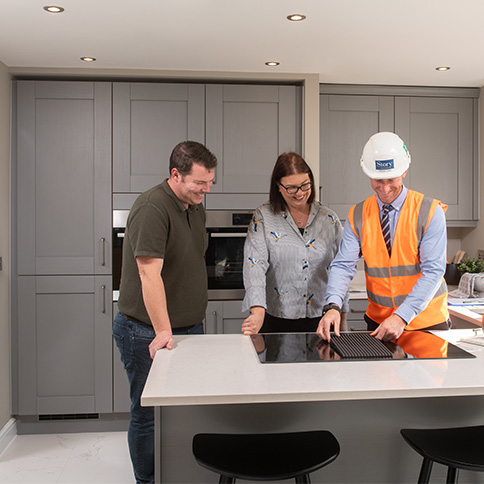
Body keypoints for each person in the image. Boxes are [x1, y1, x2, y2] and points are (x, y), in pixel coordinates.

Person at [112, 141, 217, 484]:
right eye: (199, 182)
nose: (206, 189)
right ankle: (147, 481)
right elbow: (148, 273)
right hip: (146, 331)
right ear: (176, 174)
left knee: (184, 412)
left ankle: (177, 476)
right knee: (148, 416)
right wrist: (162, 331)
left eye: (210, 182)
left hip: (189, 328)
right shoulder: (152, 207)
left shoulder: (194, 205)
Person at [317, 132, 449, 343]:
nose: (385, 188)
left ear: (404, 171)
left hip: (426, 324)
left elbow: (433, 272)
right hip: (379, 324)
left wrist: (401, 316)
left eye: (391, 180)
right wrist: (332, 306)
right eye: (378, 180)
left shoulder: (430, 212)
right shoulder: (358, 214)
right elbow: (343, 266)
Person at [242, 152, 348, 335]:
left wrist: (342, 314)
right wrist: (257, 311)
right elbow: (255, 265)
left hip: (322, 318)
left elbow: (342, 268)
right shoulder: (264, 217)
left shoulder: (328, 218)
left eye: (304, 185)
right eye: (291, 188)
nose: (300, 193)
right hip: (277, 318)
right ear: (278, 186)